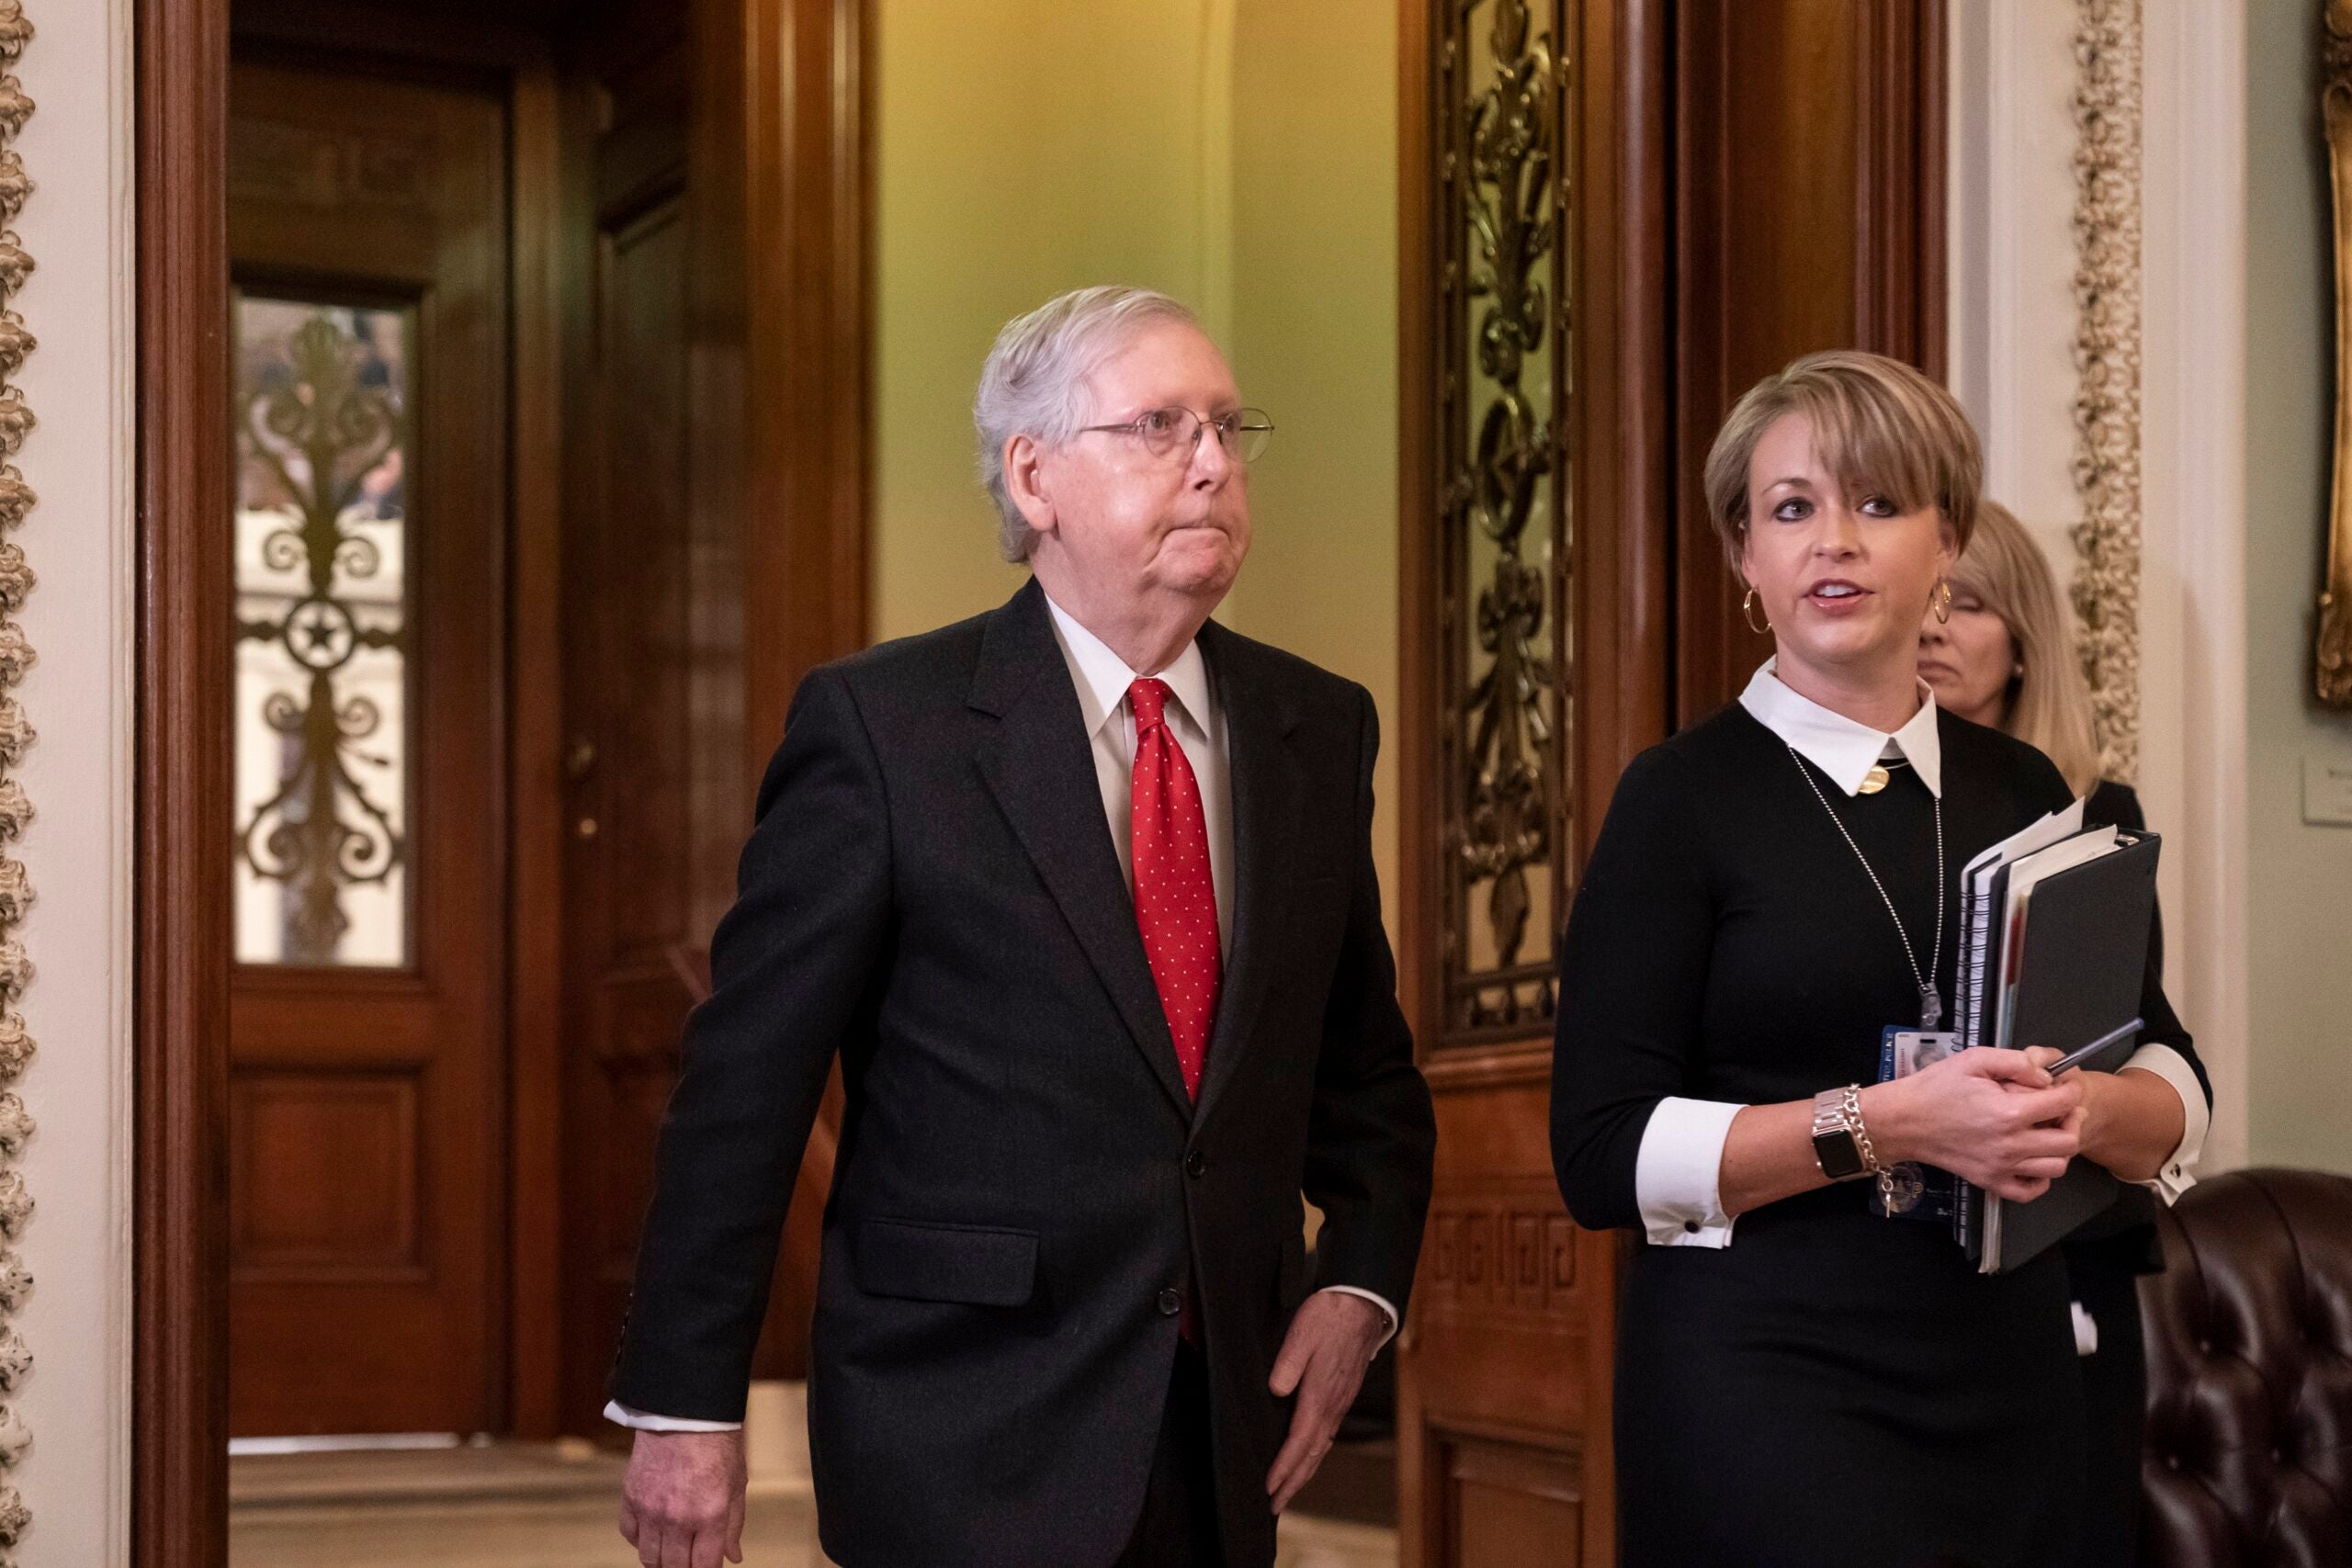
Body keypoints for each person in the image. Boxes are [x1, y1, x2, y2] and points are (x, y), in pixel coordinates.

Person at [605, 285, 1436, 1568]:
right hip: (962, 1420)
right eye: (1159, 424)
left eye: (1227, 426)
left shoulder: (1316, 727)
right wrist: (683, 1401)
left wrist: (1362, 1285)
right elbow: (744, 1090)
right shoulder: (886, 729)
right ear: (1034, 475)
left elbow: (1364, 1071)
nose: (1213, 461)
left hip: (1221, 1420)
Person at [1549, 351, 2211, 1568]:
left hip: (2006, 1371)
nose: (1833, 542)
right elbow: (1601, 1153)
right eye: (1792, 508)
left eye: (1879, 503)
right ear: (1745, 558)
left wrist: (2085, 1106)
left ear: (1947, 541)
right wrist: (1891, 1121)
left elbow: (2170, 1072)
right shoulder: (1678, 799)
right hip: (1761, 1376)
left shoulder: (2030, 788)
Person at [1918, 498, 2211, 1568]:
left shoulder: (2097, 814)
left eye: (1973, 604)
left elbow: (2137, 1044)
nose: (1937, 627)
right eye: (1930, 602)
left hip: (2068, 1252)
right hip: (1900, 1241)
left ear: (2024, 640)